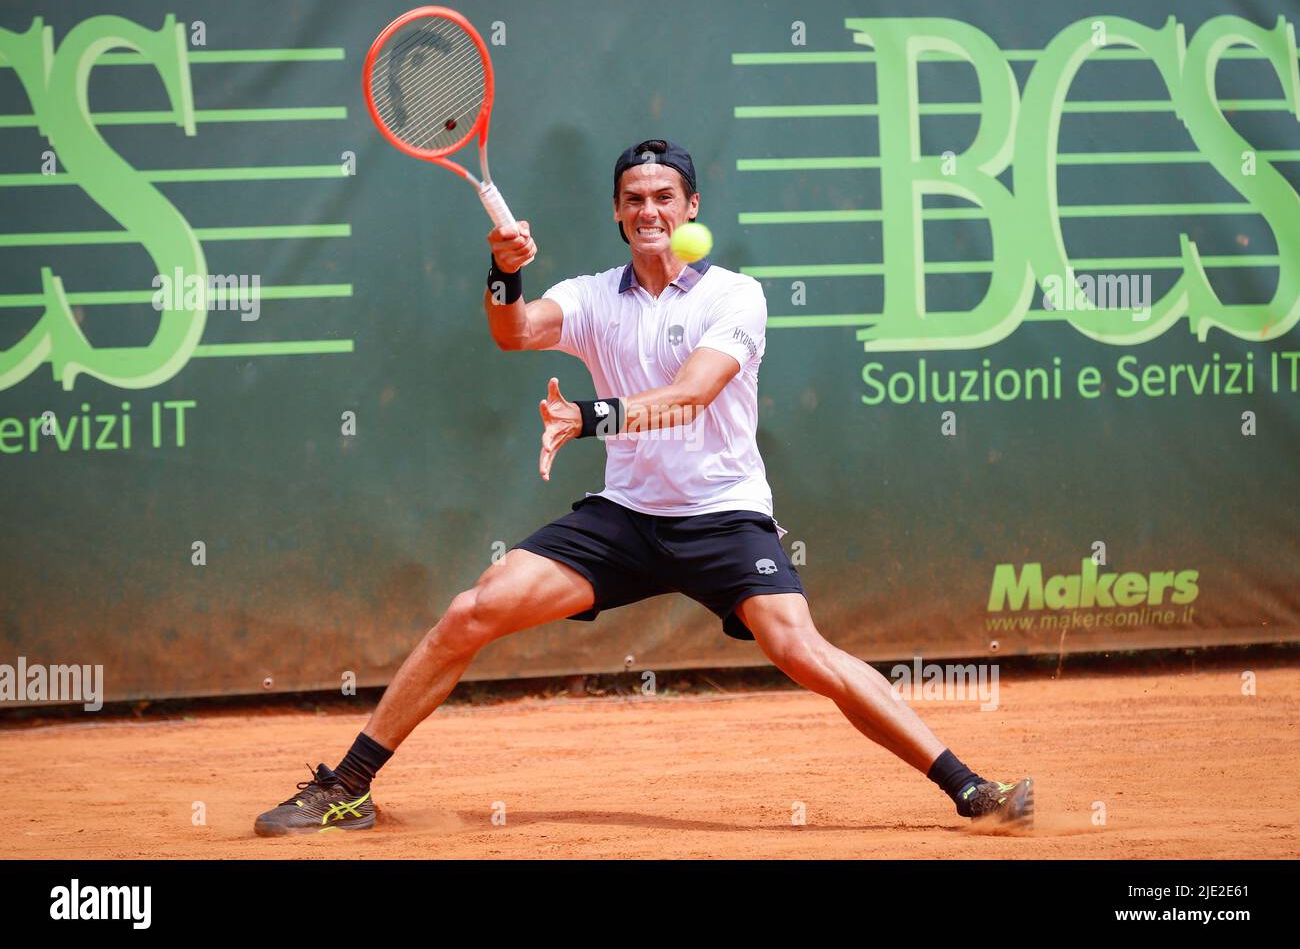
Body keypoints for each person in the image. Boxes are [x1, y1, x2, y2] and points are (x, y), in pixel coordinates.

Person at [253, 138, 1032, 836]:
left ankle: (969, 789)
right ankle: (347, 789)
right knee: (472, 611)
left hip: (723, 517)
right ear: (618, 214)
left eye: (665, 197)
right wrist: (504, 273)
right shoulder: (595, 297)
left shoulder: (735, 296)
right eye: (634, 199)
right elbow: (513, 331)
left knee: (799, 647)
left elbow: (692, 395)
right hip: (625, 519)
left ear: (691, 207)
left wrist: (587, 417)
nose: (649, 209)